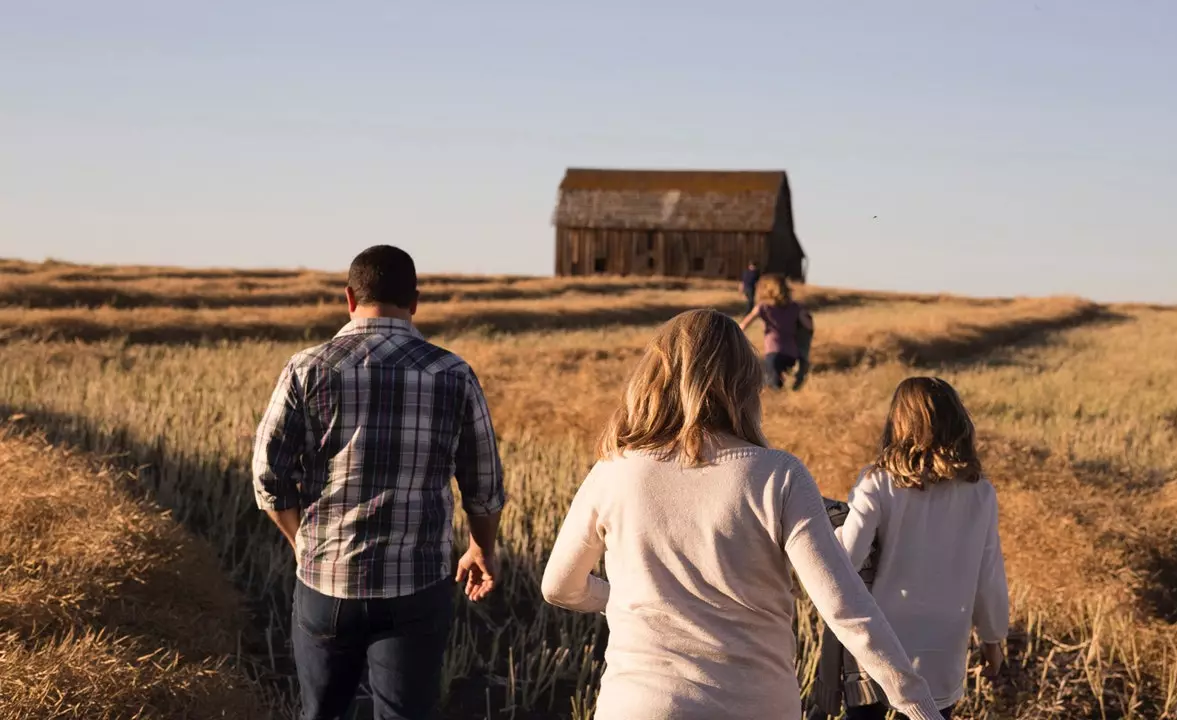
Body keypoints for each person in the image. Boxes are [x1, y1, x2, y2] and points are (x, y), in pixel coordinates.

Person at [540, 310, 945, 720]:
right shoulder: (779, 476)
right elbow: (845, 609)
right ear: (745, 383)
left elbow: (559, 586)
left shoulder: (613, 470)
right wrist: (918, 706)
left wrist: (629, 601)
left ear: (653, 379)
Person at [252, 245, 506, 720]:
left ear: (349, 298)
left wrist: (302, 543)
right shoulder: (452, 373)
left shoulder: (307, 368)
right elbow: (484, 486)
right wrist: (481, 548)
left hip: (326, 583)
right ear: (415, 301)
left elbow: (268, 480)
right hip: (417, 586)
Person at [838, 377, 1009, 719]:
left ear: (898, 424)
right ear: (959, 423)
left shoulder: (877, 482)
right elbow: (988, 576)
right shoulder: (980, 493)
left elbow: (846, 559)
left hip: (880, 641)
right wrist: (993, 639)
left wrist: (832, 526)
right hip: (944, 643)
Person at [740, 274, 812, 390]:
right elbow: (808, 326)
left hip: (773, 352)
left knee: (772, 388)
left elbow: (743, 326)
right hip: (791, 355)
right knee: (786, 387)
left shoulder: (763, 307)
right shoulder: (795, 307)